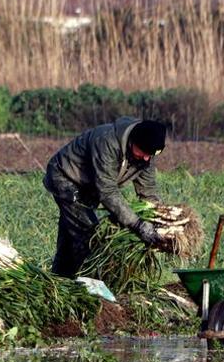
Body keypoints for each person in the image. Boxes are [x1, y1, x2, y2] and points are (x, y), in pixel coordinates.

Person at [43, 117, 172, 278]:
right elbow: (107, 191)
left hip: (89, 187)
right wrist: (138, 224)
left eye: (151, 155)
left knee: (71, 236)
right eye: (143, 153)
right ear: (133, 141)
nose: (146, 158)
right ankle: (88, 283)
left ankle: (59, 279)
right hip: (65, 177)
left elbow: (148, 191)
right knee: (90, 236)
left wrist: (160, 220)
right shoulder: (107, 141)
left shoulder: (146, 152)